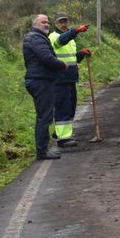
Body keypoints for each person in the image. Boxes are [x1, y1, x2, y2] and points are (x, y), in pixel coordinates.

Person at [23, 14, 67, 160]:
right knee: (44, 117)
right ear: (35, 24)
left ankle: (44, 149)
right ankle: (42, 152)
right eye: (43, 22)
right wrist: (62, 65)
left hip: (41, 79)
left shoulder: (37, 37)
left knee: (45, 116)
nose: (46, 24)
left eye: (48, 22)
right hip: (40, 80)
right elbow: (46, 57)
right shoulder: (35, 38)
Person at [48, 12, 91, 148]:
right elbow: (61, 42)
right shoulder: (54, 37)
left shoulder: (71, 40)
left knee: (71, 107)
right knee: (63, 107)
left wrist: (81, 54)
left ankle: (59, 133)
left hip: (70, 78)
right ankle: (63, 139)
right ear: (55, 23)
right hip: (59, 79)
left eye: (65, 21)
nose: (64, 23)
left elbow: (72, 59)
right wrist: (76, 30)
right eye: (61, 21)